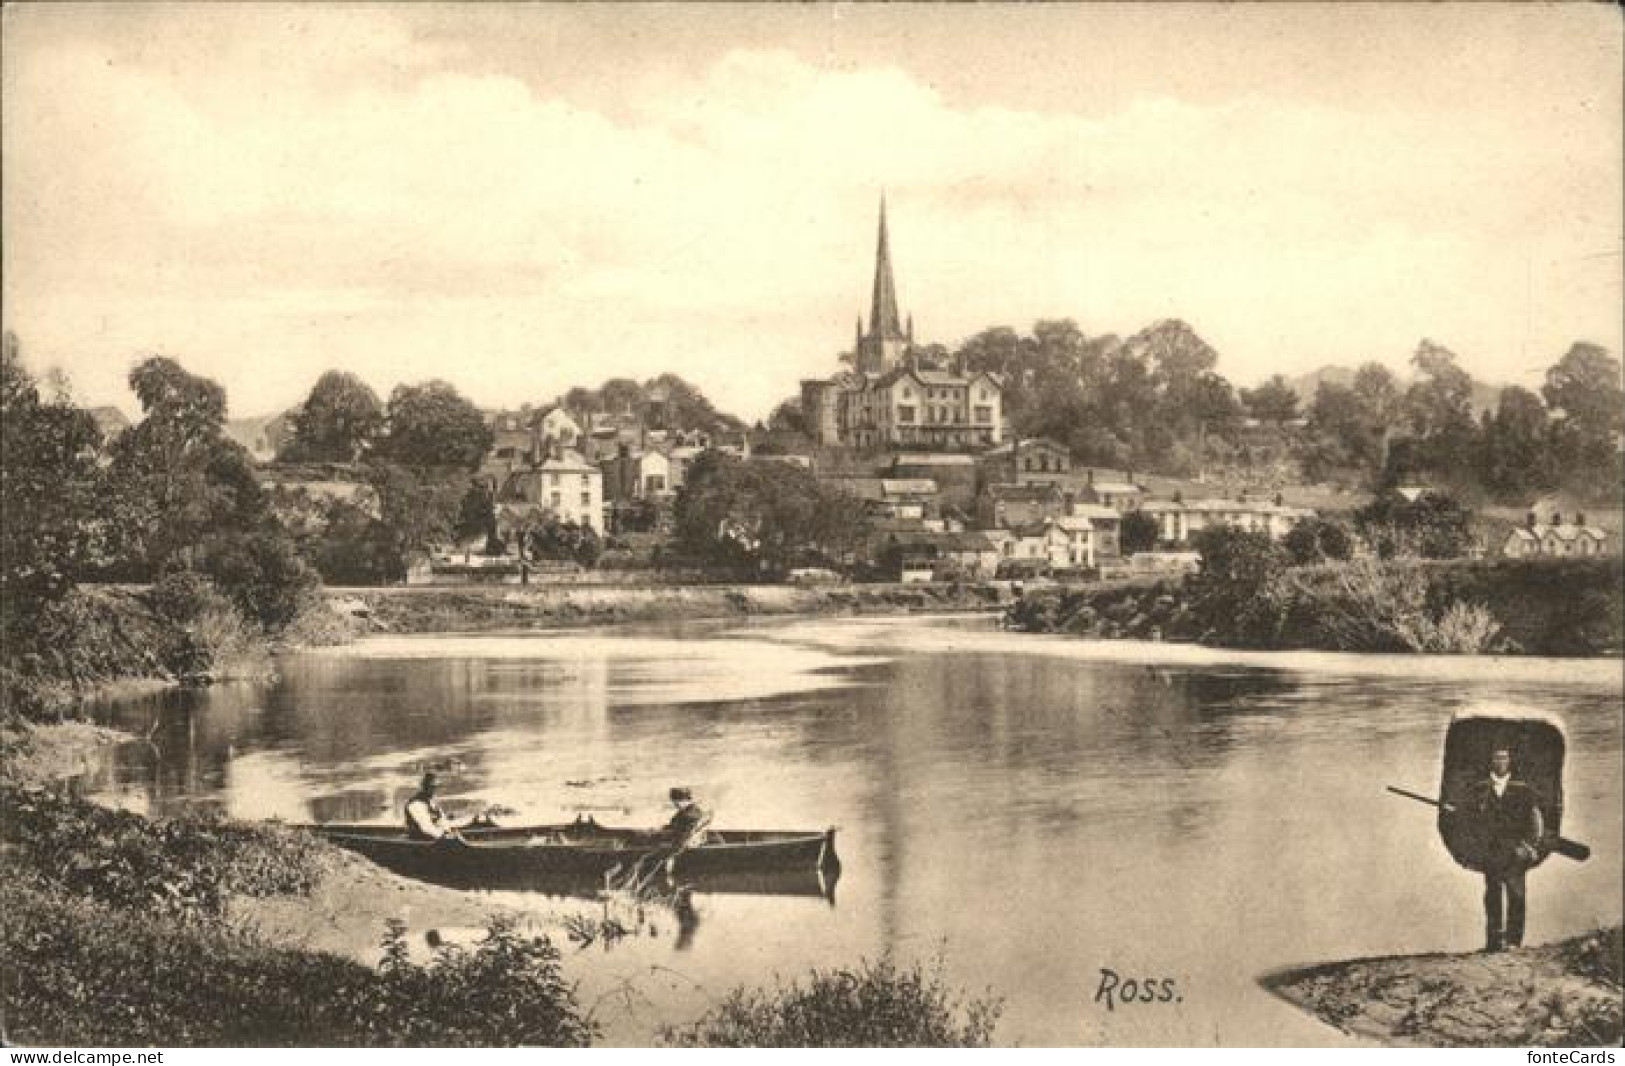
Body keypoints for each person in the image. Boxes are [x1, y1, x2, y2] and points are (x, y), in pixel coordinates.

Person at [1471, 746, 1544, 952]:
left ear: (1510, 761)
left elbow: (1535, 819)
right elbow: (1470, 820)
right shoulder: (1480, 789)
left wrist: (1530, 846)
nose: (1501, 761)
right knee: (1492, 895)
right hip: (1491, 851)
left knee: (1517, 895)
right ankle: (1494, 942)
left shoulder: (1523, 789)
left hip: (1516, 851)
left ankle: (1514, 942)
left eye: (1504, 758)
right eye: (1497, 758)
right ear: (1491, 761)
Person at [404, 772, 461, 842]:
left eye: (434, 787)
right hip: (420, 840)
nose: (433, 790)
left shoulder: (432, 802)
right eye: (431, 787)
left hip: (433, 838)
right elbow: (427, 827)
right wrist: (443, 836)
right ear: (423, 787)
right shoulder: (415, 804)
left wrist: (448, 830)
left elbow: (442, 820)